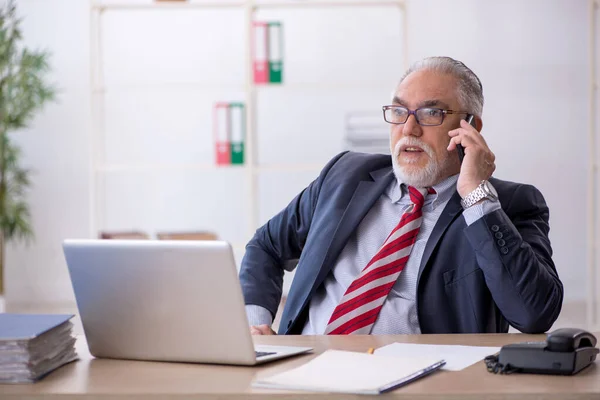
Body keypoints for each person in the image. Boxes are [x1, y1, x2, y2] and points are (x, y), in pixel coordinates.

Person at [239, 56, 563, 336]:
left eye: (430, 114)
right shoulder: (344, 174)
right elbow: (266, 246)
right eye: (398, 111)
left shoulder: (509, 204)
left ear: (470, 127)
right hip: (306, 368)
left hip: (422, 384)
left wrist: (475, 195)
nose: (409, 129)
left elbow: (534, 313)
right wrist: (256, 324)